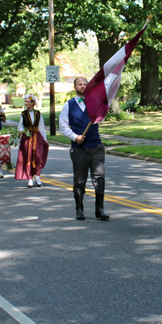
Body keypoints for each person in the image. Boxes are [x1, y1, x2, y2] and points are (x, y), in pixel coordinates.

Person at [59, 77, 110, 221]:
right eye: (79, 84)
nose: (82, 86)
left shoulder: (94, 102)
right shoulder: (68, 105)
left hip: (96, 146)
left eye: (84, 84)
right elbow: (63, 126)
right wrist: (75, 137)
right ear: (75, 87)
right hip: (79, 149)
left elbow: (102, 118)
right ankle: (79, 209)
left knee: (99, 177)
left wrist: (101, 109)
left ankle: (99, 209)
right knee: (80, 180)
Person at [15, 94, 49, 187]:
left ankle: (37, 177)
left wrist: (44, 139)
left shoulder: (38, 113)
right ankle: (30, 178)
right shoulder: (23, 114)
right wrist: (20, 131)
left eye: (28, 102)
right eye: (25, 101)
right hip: (27, 137)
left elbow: (41, 127)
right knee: (28, 157)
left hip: (37, 137)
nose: (26, 103)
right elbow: (20, 125)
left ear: (33, 103)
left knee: (38, 156)